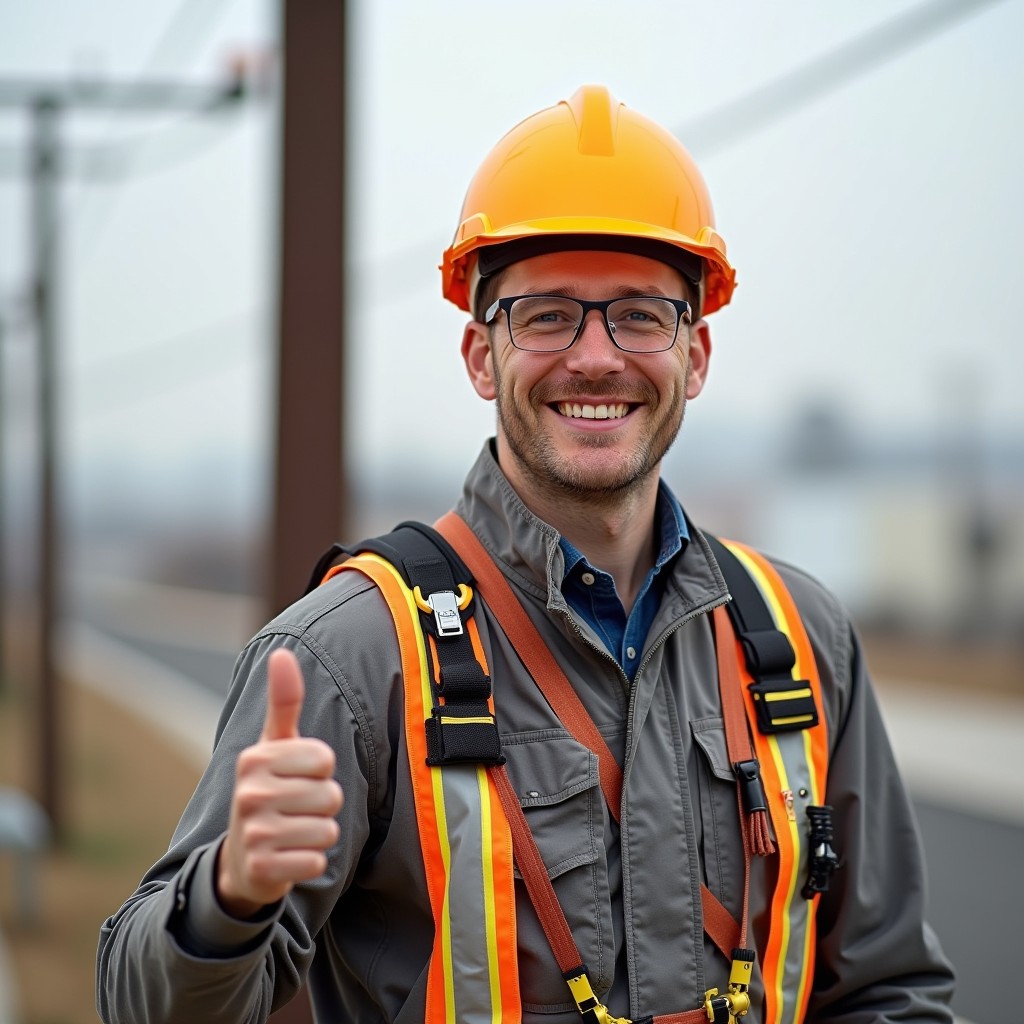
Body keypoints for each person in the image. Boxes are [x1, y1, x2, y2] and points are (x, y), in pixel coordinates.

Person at [96, 85, 955, 1024]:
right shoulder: (352, 657)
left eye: (639, 314)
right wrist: (226, 899)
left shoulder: (799, 637)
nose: (595, 357)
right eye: (546, 315)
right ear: (479, 355)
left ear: (695, 355)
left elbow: (889, 988)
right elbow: (143, 1005)